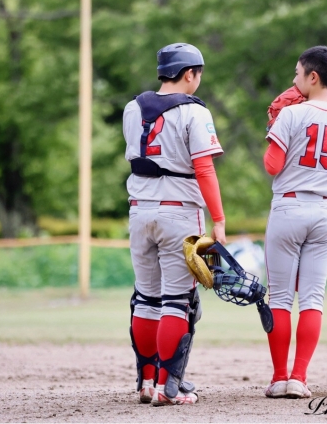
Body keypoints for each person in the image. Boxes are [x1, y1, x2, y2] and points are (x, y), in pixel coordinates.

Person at [123, 43, 227, 406]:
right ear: (189, 74)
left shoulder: (133, 108)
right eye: (198, 73)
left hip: (139, 211)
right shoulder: (194, 112)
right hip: (179, 212)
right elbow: (204, 168)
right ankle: (169, 387)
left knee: (146, 299)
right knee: (177, 301)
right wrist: (219, 219)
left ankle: (146, 382)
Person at [262, 46, 327, 399]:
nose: (294, 79)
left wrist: (274, 124)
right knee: (313, 300)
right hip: (325, 212)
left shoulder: (291, 114)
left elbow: (272, 165)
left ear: (312, 77)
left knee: (280, 298)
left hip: (289, 208)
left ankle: (279, 378)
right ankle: (299, 378)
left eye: (298, 72)